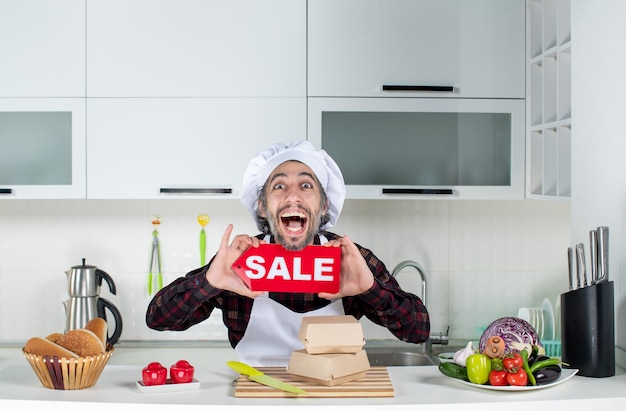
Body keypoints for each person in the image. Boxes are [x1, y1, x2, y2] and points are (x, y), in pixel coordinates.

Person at [146, 141, 430, 366]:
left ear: (323, 205)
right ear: (262, 205)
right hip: (255, 398)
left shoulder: (350, 260)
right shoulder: (240, 260)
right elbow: (158, 319)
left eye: (306, 186)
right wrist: (209, 282)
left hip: (332, 399)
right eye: (279, 186)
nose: (293, 196)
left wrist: (369, 289)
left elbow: (418, 330)